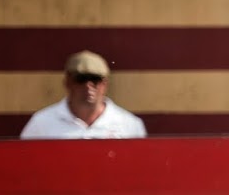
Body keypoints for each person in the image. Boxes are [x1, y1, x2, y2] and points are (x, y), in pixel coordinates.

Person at [20, 50, 148, 139]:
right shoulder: (42, 124)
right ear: (67, 83)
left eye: (95, 79)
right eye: (81, 79)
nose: (88, 86)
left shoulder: (129, 125)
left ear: (104, 84)